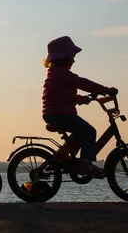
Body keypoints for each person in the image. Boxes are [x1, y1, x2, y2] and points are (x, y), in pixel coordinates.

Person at [41, 36, 118, 176]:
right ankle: (85, 165)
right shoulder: (64, 74)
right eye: (72, 56)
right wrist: (106, 90)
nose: (74, 60)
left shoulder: (54, 74)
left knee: (79, 133)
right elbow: (83, 83)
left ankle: (61, 157)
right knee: (89, 131)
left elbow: (62, 95)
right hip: (61, 114)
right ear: (63, 58)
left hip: (53, 113)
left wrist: (81, 99)